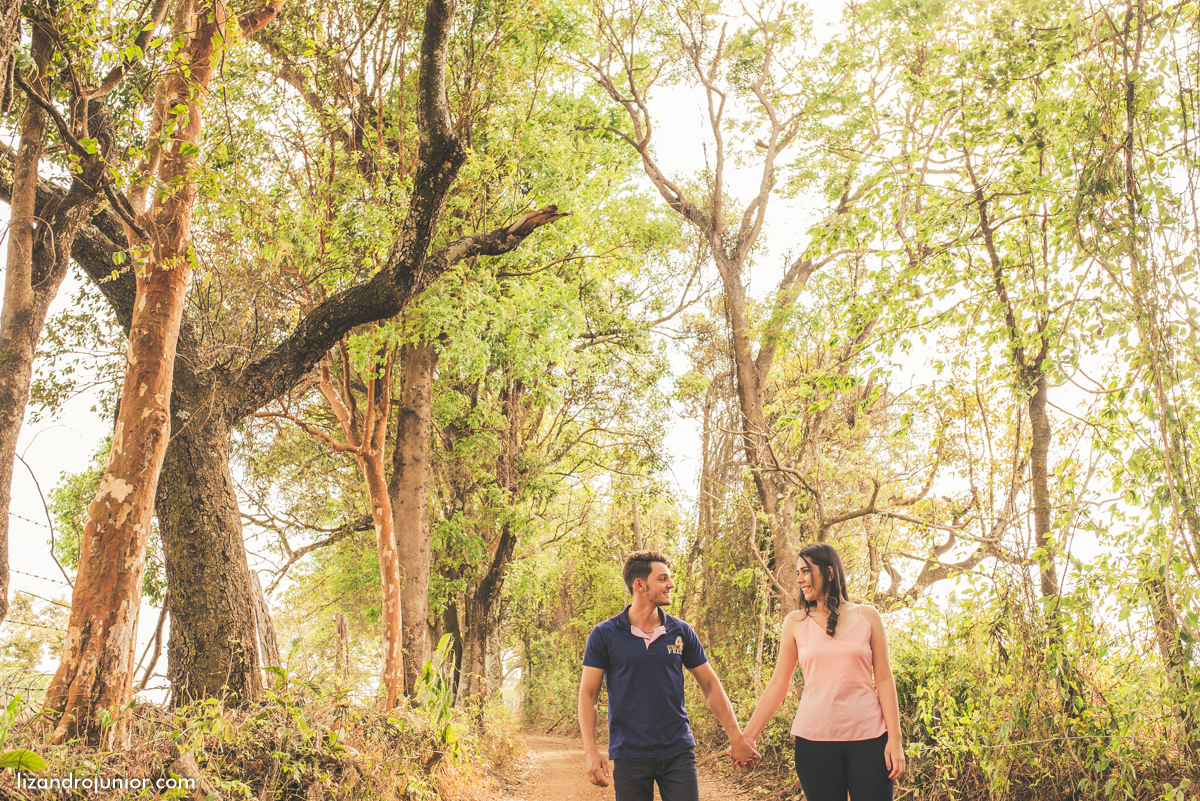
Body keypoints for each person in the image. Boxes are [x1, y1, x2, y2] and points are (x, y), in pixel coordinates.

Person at [578, 550, 760, 801]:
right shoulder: (604, 634)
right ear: (639, 585)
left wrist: (736, 736)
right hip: (629, 754)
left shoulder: (681, 631)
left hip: (678, 751)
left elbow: (710, 685)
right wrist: (591, 750)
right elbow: (588, 694)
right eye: (663, 579)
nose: (671, 584)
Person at [736, 542, 905, 801]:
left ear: (829, 572)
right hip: (814, 744)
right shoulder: (794, 622)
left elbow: (883, 679)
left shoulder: (868, 617)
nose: (800, 579)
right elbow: (779, 683)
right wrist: (747, 736)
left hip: (871, 740)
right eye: (798, 573)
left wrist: (895, 739)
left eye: (806, 571)